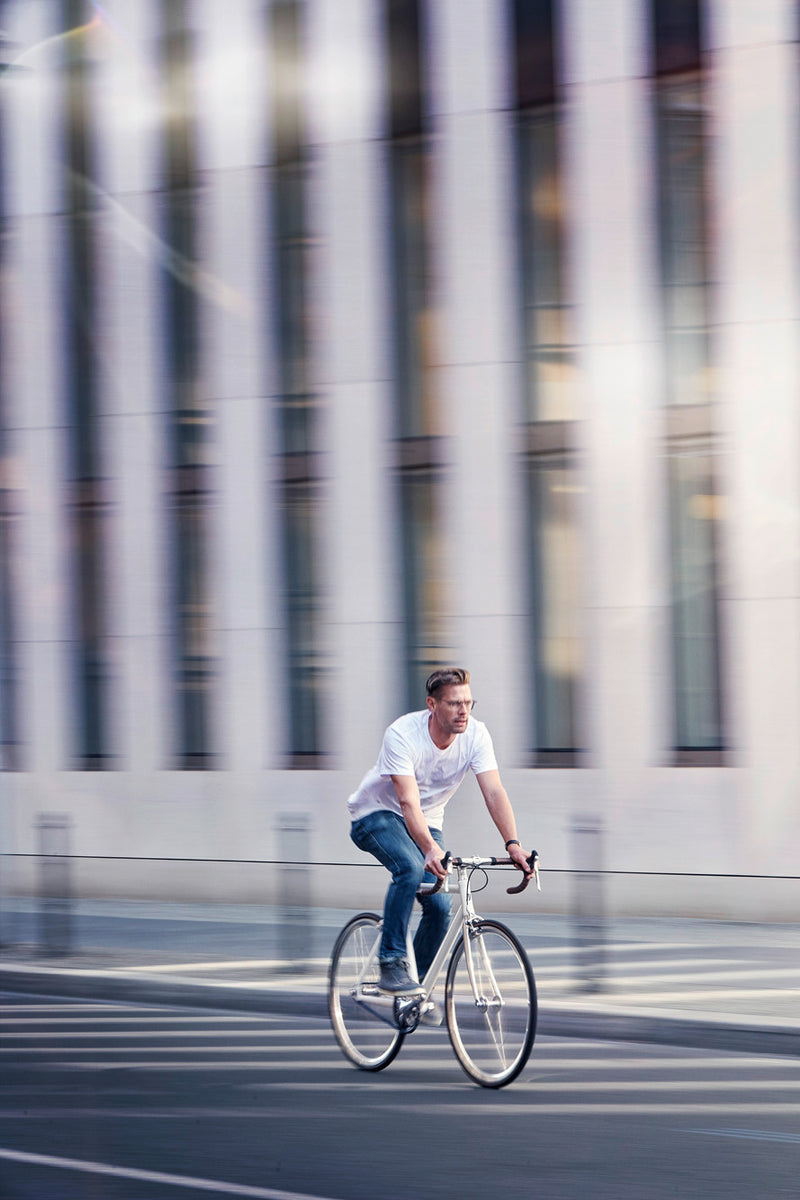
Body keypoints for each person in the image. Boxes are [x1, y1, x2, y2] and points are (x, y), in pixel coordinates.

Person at [347, 667, 533, 996]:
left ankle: (412, 990)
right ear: (432, 705)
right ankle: (391, 963)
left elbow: (493, 791)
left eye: (468, 703)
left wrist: (513, 844)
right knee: (410, 867)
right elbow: (406, 802)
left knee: (439, 906)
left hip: (427, 819)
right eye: (454, 703)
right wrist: (431, 848)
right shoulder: (403, 734)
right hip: (375, 813)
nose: (463, 711)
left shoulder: (476, 735)